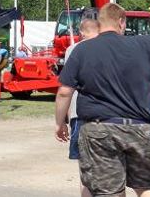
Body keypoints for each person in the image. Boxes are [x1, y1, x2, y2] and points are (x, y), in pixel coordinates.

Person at [55, 0, 150, 197]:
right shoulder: (143, 45)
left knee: (109, 191)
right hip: (140, 128)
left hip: (99, 129)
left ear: (100, 23)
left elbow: (64, 92)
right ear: (121, 22)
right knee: (148, 187)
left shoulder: (82, 50)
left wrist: (60, 123)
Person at [63, 17, 100, 197]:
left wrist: (62, 119)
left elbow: (65, 89)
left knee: (85, 171)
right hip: (108, 116)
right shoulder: (112, 48)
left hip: (80, 113)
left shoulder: (73, 49)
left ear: (82, 32)